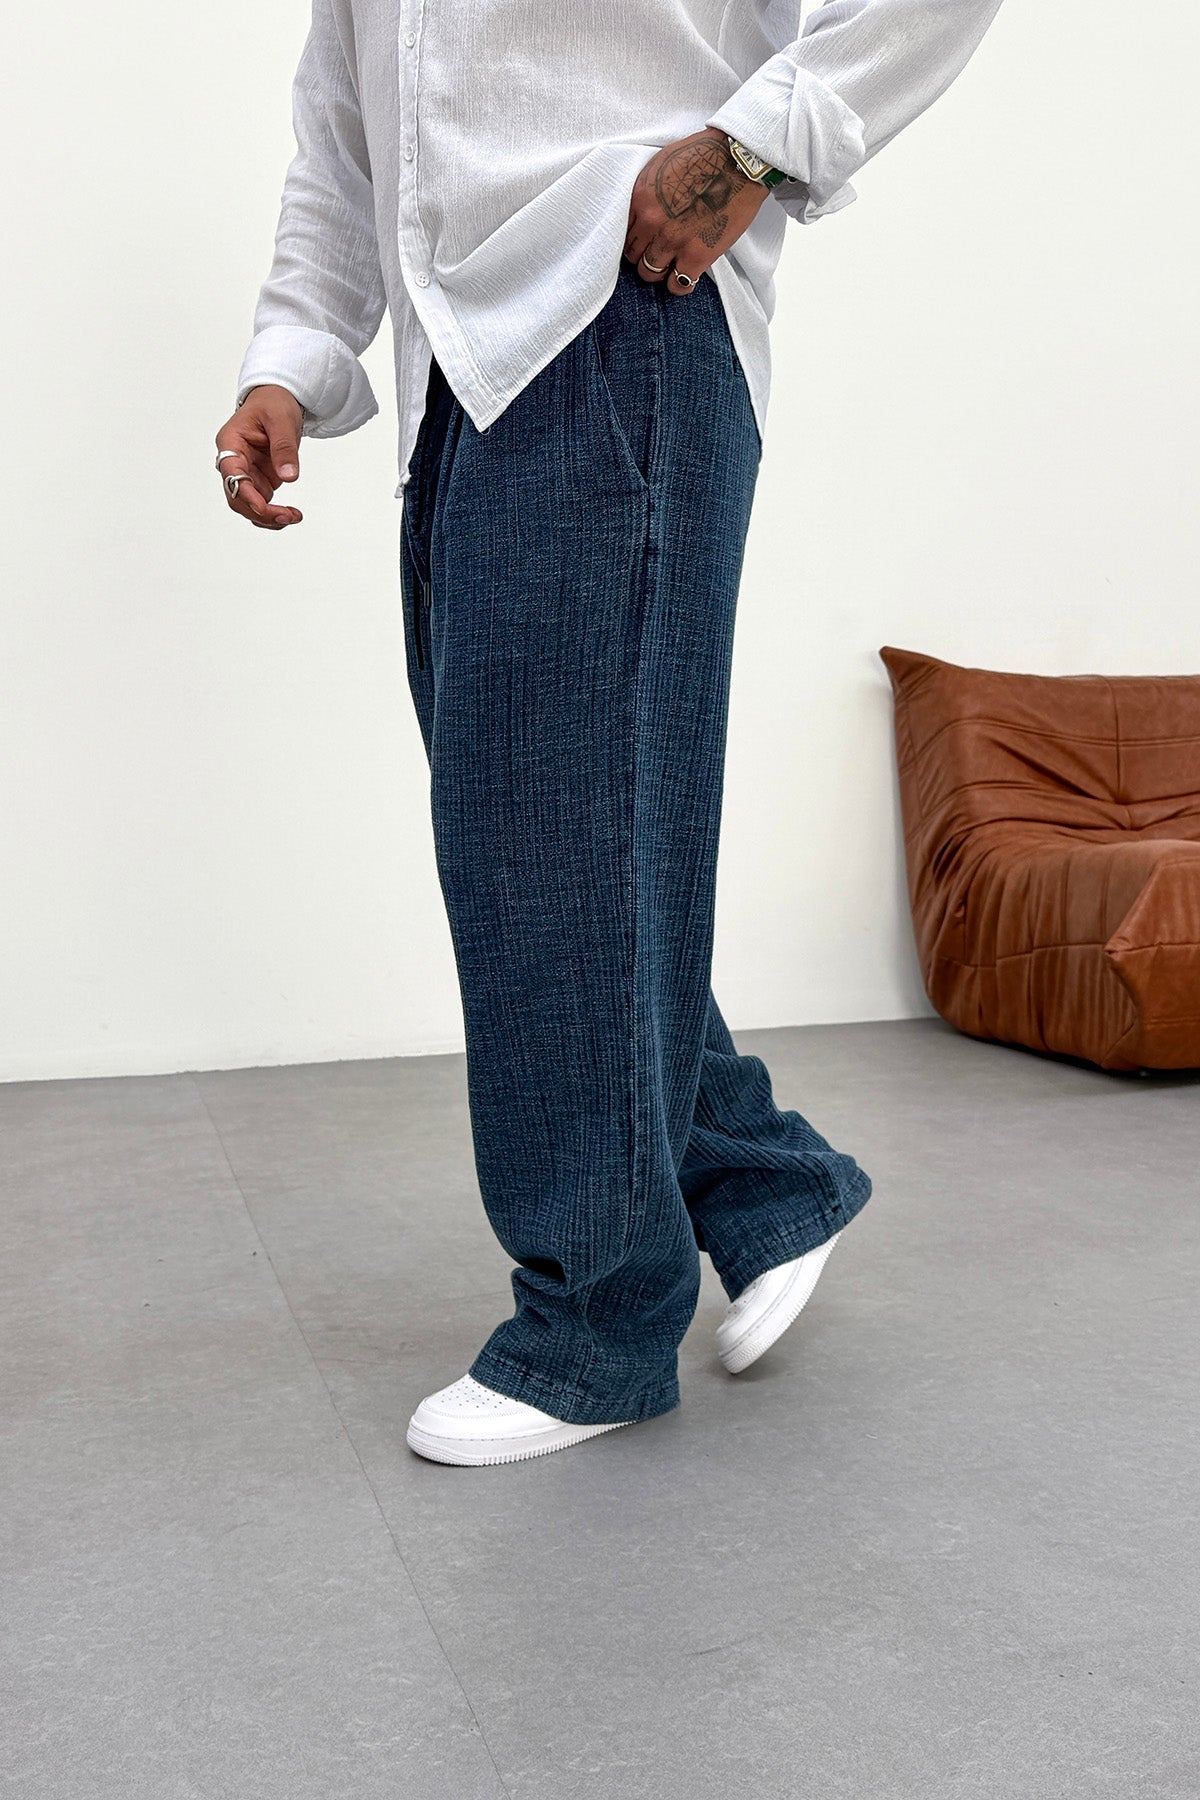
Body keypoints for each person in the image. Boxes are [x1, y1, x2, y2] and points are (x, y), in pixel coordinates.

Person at [214, 0, 1005, 1467]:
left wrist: (752, 149)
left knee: (552, 851)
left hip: (621, 309)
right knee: (556, 841)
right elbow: (346, 114)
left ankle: (598, 1326)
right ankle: (761, 1182)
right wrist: (298, 349)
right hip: (463, 372)